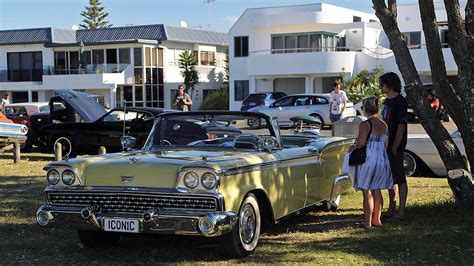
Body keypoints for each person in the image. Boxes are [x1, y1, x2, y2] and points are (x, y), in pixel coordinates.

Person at [343, 96, 393, 228]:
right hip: (382, 159)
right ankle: (377, 219)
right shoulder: (384, 125)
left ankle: (367, 222)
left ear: (365, 109)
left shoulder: (365, 124)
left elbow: (361, 143)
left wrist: (352, 147)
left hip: (368, 159)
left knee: (367, 191)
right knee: (377, 190)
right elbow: (386, 144)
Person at [380, 72, 408, 221]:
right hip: (386, 145)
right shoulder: (386, 102)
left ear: (390, 84)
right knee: (390, 179)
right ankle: (392, 207)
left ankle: (401, 212)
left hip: (395, 146)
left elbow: (401, 126)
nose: (380, 87)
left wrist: (395, 148)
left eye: (382, 84)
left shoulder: (400, 101)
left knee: (400, 178)